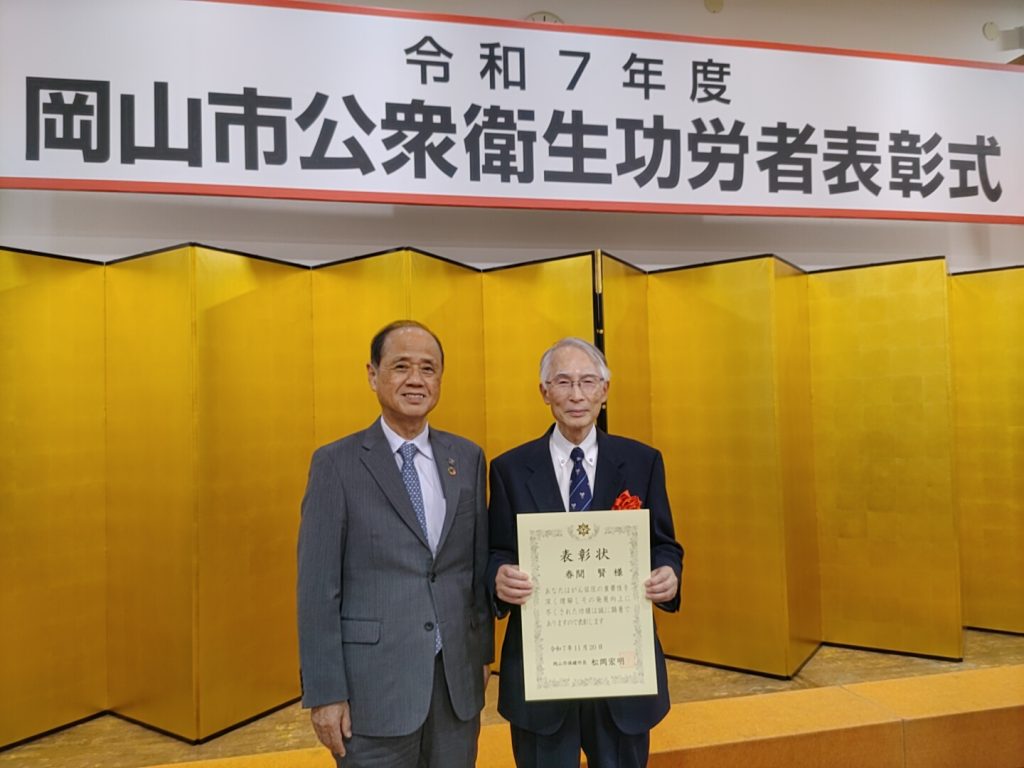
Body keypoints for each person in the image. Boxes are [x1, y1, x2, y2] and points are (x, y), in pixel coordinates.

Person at [297, 320, 493, 768]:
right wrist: (325, 692)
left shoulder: (466, 458)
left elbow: (473, 568)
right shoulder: (336, 464)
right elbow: (317, 590)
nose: (416, 379)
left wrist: (483, 655)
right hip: (373, 691)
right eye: (401, 366)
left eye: (428, 368)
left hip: (455, 687)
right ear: (372, 374)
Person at [487, 337, 684, 768]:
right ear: (544, 392)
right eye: (563, 382)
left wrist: (668, 573)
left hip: (621, 671)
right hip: (543, 672)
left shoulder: (642, 461)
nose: (576, 394)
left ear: (604, 391)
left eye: (587, 382)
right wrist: (499, 576)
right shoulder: (509, 469)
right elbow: (497, 550)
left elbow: (664, 545)